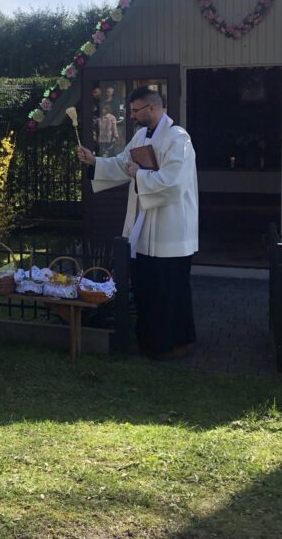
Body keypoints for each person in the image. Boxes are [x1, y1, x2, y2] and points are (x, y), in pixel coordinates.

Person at [76, 86, 199, 359]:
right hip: (145, 226)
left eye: (135, 110)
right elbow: (123, 164)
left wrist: (139, 175)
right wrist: (94, 161)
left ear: (152, 108)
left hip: (170, 231)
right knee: (147, 288)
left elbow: (173, 183)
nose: (131, 116)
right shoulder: (141, 135)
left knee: (171, 290)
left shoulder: (178, 139)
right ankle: (150, 343)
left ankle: (177, 343)